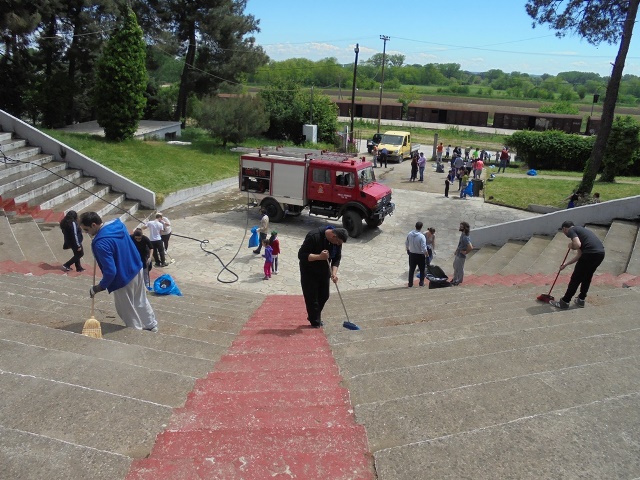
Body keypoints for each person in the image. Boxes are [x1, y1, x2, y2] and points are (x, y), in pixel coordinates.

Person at [79, 212, 158, 332]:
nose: (87, 233)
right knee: (140, 299)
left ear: (93, 225)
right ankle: (151, 325)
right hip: (136, 268)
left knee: (126, 308)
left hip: (123, 278)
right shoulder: (118, 225)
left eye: (86, 229)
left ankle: (135, 331)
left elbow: (110, 271)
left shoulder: (100, 243)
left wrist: (99, 287)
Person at [298, 226, 348, 328]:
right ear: (334, 236)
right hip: (309, 271)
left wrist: (334, 273)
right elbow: (302, 255)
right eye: (338, 242)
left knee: (324, 295)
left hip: (324, 270)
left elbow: (336, 258)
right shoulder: (313, 236)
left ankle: (313, 316)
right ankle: (315, 322)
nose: (338, 245)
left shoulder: (337, 242)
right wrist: (320, 257)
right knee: (312, 298)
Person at [550, 221, 605, 309]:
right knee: (587, 277)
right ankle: (581, 299)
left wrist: (571, 245)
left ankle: (565, 302)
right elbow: (579, 255)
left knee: (575, 279)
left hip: (589, 254)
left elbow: (577, 244)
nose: (565, 234)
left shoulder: (572, 230)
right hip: (600, 254)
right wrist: (566, 264)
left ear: (564, 229)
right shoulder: (581, 231)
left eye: (563, 231)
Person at [406, 222, 428, 287]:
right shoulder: (422, 236)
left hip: (412, 254)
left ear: (415, 226)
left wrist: (408, 250)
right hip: (420, 255)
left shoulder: (410, 234)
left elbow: (406, 243)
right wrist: (426, 254)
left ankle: (410, 284)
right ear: (421, 227)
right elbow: (424, 247)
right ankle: (421, 283)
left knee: (411, 270)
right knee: (422, 270)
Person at [452, 221, 473, 286]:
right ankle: (455, 279)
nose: (460, 227)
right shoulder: (463, 234)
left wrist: (465, 252)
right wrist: (456, 250)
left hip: (461, 255)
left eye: (461, 227)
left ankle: (458, 280)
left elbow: (470, 247)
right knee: (455, 266)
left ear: (464, 228)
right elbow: (460, 243)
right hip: (458, 253)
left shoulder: (465, 237)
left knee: (459, 268)